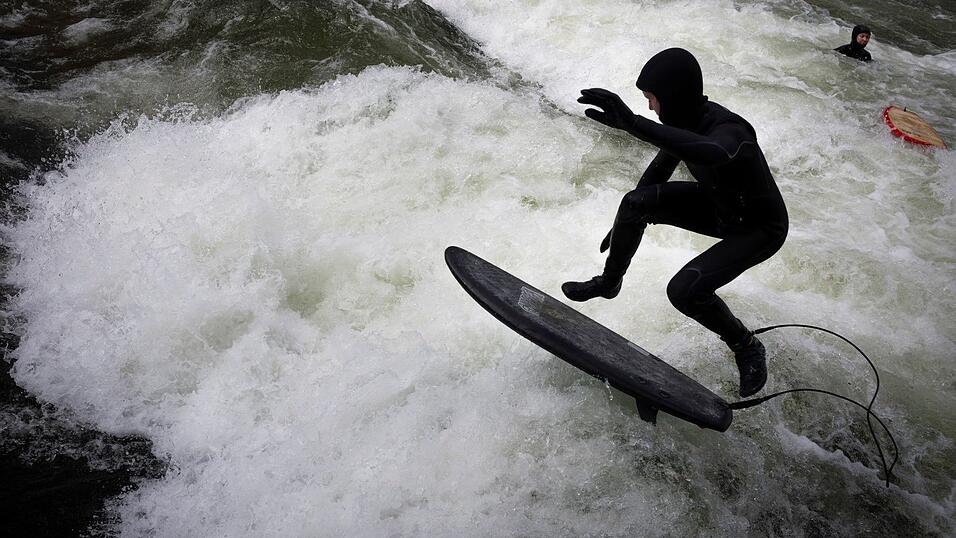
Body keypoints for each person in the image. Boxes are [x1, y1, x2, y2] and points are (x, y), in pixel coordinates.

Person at [562, 48, 788, 397]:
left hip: (759, 228)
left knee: (683, 291)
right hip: (719, 207)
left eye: (652, 99)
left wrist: (634, 124)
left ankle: (746, 345)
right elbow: (660, 169)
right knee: (634, 203)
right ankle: (609, 282)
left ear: (674, 96)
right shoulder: (683, 120)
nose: (650, 107)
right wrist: (624, 220)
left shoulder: (730, 129)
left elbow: (711, 152)